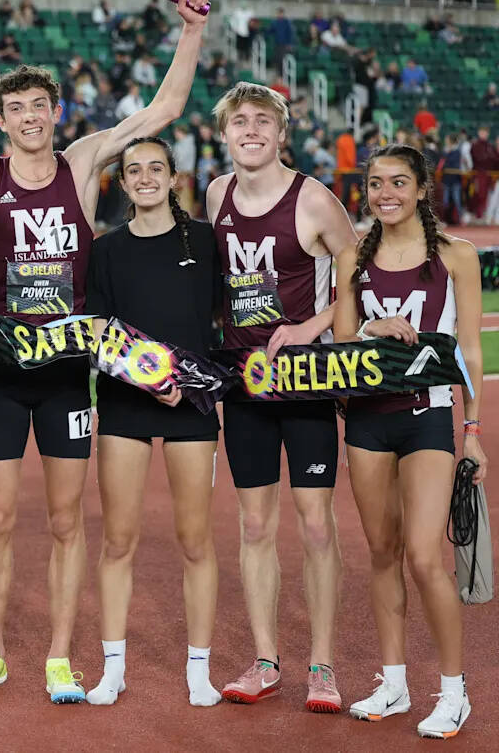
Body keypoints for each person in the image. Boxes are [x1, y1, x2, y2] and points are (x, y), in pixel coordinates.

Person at [0, 0, 209, 705]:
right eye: (18, 109)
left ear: (56, 112)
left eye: (41, 106)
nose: (31, 118)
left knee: (68, 521)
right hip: (2, 368)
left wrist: (190, 33)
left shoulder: (83, 160)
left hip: (68, 371)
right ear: (0, 121)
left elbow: (160, 114)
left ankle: (60, 657)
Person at [206, 82, 358, 712]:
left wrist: (308, 328)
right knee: (253, 523)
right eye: (239, 121)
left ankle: (322, 665)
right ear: (224, 133)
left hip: (306, 382)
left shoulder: (316, 201)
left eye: (262, 121)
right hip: (246, 383)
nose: (250, 130)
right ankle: (267, 659)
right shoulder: (216, 193)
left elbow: (356, 281)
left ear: (282, 132)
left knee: (317, 524)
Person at [333, 144, 485, 739]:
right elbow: (342, 338)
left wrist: (472, 430)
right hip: (368, 419)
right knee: (381, 552)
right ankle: (393, 683)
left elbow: (468, 351)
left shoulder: (456, 256)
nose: (385, 193)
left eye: (399, 182)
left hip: (428, 416)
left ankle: (453, 690)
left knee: (425, 556)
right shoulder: (352, 257)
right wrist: (372, 325)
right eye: (375, 184)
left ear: (422, 188)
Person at [83, 136, 222, 708]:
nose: (144, 178)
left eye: (155, 169)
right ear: (123, 181)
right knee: (118, 540)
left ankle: (199, 670)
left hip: (190, 406)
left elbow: (222, 315)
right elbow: (96, 333)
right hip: (125, 405)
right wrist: (149, 378)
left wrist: (184, 381)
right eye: (133, 170)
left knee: (195, 540)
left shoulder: (207, 242)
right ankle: (112, 668)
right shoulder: (106, 250)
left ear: (173, 178)